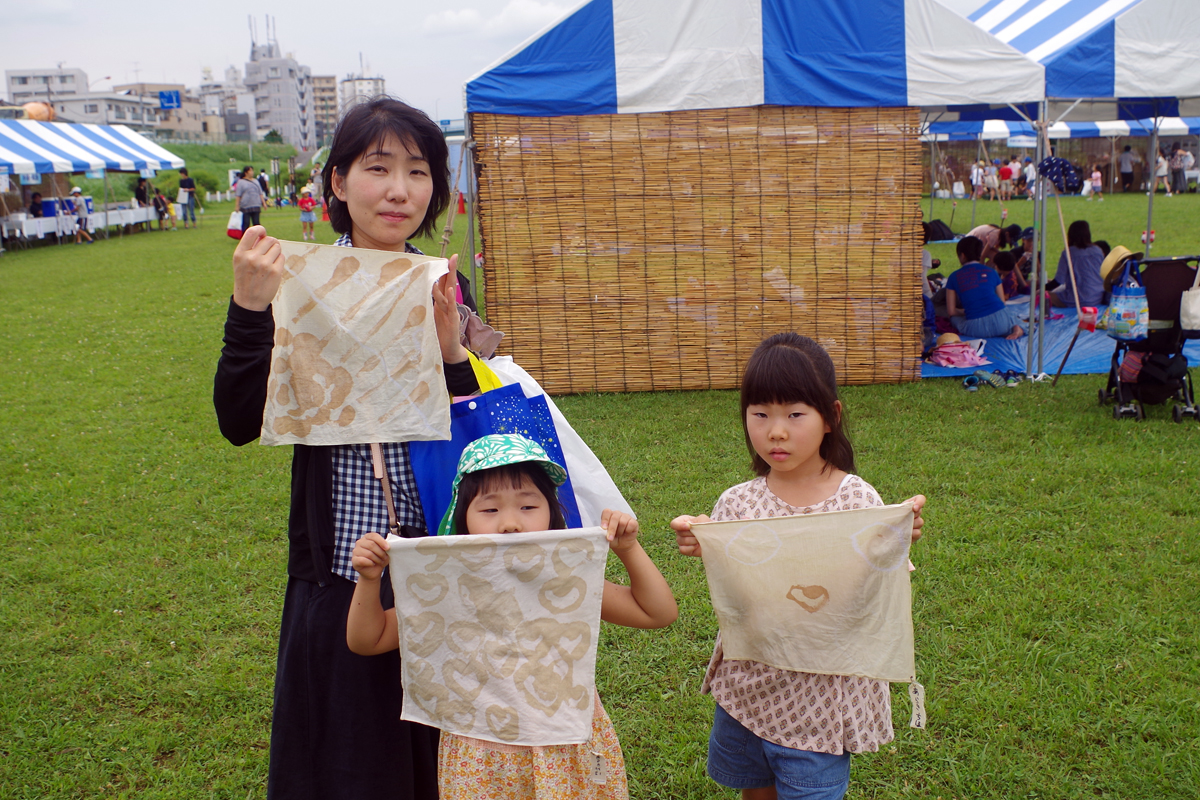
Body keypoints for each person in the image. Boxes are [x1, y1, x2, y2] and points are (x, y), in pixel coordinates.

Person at [214, 96, 473, 800]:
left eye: (418, 172)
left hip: (443, 567)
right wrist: (248, 307)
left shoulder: (443, 284)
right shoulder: (293, 284)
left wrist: (453, 350)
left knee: (442, 760)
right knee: (344, 763)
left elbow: (481, 435)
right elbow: (237, 420)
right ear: (336, 182)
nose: (399, 189)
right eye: (377, 167)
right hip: (338, 570)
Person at [347, 433, 678, 800]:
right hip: (479, 753)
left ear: (551, 512)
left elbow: (657, 613)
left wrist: (628, 549)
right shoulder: (446, 586)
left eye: (527, 506)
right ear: (464, 518)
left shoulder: (563, 581)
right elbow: (368, 640)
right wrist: (369, 578)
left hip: (563, 743)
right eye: (490, 509)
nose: (510, 524)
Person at [671, 333, 925, 800]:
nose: (776, 431)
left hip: (820, 704)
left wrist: (887, 546)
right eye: (760, 414)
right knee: (755, 792)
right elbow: (742, 589)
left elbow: (864, 600)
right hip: (748, 690)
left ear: (831, 417)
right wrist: (707, 540)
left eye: (794, 414)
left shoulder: (857, 500)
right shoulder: (738, 502)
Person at [944, 236, 1025, 340]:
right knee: (1011, 316)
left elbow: (951, 311)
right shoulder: (992, 272)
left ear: (962, 256)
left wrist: (963, 311)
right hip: (1001, 321)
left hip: (976, 328)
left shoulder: (953, 277)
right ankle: (1016, 329)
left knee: (954, 319)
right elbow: (1002, 302)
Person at [1049, 220, 1105, 308]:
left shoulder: (1068, 253)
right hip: (1097, 298)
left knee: (1042, 296)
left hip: (1078, 299)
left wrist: (1042, 289)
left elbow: (1058, 281)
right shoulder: (1098, 250)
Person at [233, 165, 264, 231]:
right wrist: (237, 206)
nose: (252, 172)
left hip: (256, 204)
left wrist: (263, 202)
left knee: (256, 223)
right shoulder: (241, 182)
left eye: (252, 170)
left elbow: (260, 193)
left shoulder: (256, 181)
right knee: (246, 223)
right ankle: (245, 238)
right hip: (245, 205)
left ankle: (257, 237)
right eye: (250, 171)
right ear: (246, 172)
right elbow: (238, 195)